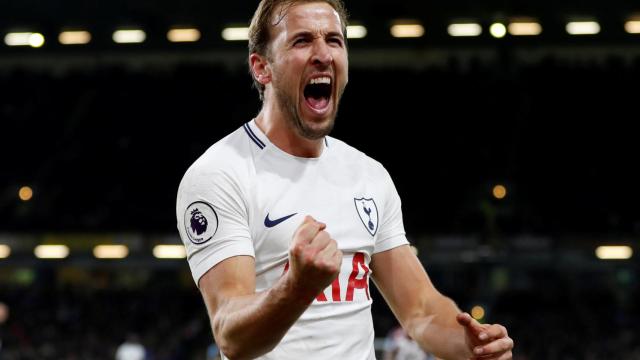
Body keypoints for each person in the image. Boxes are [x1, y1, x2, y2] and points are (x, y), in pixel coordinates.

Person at [176, 0, 514, 359]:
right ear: (262, 68)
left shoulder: (368, 175)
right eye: (302, 40)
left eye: (334, 40)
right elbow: (231, 334)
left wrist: (473, 346)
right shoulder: (219, 174)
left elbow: (421, 310)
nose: (323, 54)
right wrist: (296, 288)